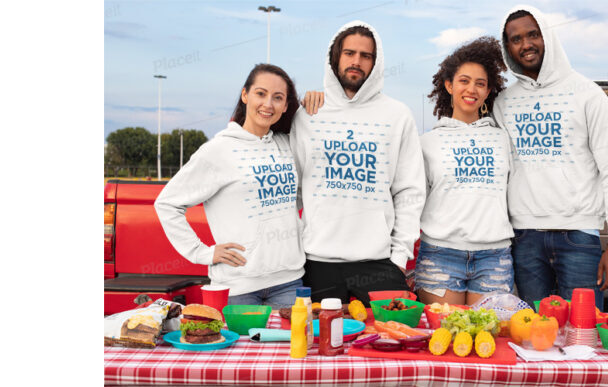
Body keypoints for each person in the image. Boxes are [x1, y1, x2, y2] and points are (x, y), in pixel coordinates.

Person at [492, 5, 608, 311]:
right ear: (508, 47)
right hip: (525, 238)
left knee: (583, 331)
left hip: (578, 236)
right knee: (530, 334)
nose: (526, 44)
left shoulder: (587, 94)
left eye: (533, 34)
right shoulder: (504, 101)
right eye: (516, 39)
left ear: (547, 37)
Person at [290, 21, 426, 307]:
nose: (356, 61)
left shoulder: (397, 115)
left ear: (376, 63)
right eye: (349, 53)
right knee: (318, 345)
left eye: (366, 56)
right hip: (317, 263)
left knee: (392, 344)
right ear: (334, 57)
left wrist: (400, 258)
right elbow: (294, 191)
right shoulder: (308, 114)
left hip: (379, 263)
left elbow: (410, 192)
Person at [154, 64, 306, 309]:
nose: (268, 104)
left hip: (289, 283)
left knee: (292, 347)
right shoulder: (218, 150)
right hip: (237, 288)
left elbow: (298, 197)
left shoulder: (288, 145)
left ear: (286, 106)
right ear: (245, 95)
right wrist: (202, 252)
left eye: (278, 98)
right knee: (240, 348)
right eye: (261, 93)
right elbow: (167, 203)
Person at [412, 37, 514, 306]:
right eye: (464, 81)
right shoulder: (426, 143)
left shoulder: (503, 140)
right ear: (449, 85)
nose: (472, 89)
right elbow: (411, 201)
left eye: (480, 83)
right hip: (440, 255)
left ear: (489, 90)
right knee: (444, 340)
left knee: (486, 340)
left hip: (494, 257)